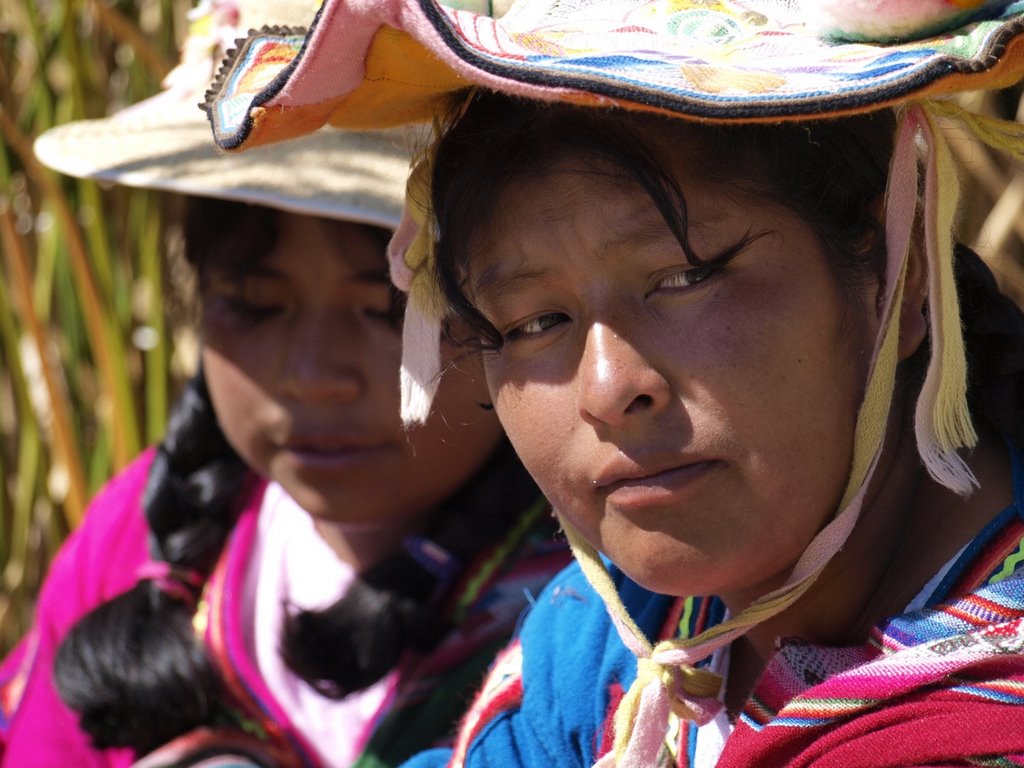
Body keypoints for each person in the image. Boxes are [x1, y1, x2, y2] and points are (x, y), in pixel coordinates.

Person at [204, 0, 1024, 765]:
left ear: (900, 276)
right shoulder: (608, 646)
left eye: (686, 278)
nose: (609, 387)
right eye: (533, 323)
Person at [0, 1, 569, 766]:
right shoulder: (137, 544)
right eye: (255, 305)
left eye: (390, 310)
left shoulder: (603, 614)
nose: (314, 378)